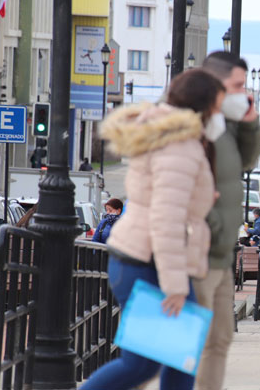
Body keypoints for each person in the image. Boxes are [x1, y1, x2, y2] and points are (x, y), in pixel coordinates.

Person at [81, 69, 221, 390]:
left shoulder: (169, 136)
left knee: (178, 360)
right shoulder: (179, 144)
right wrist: (175, 285)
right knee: (142, 365)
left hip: (146, 259)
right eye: (218, 104)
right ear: (203, 104)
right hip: (150, 262)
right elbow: (166, 216)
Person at [195, 51, 260, 390]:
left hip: (220, 252)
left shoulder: (223, 124)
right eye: (237, 85)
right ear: (215, 84)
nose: (243, 92)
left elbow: (247, 160)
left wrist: (249, 120)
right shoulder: (187, 121)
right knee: (171, 349)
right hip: (191, 251)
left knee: (219, 341)